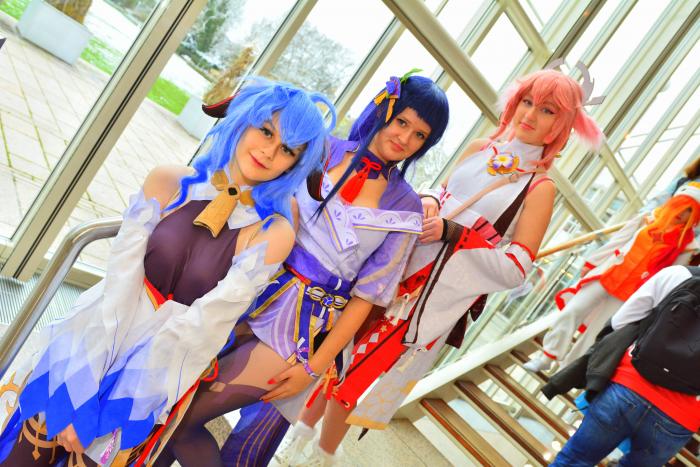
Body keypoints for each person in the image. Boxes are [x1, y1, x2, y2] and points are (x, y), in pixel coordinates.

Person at [277, 67, 604, 465]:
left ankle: (322, 453)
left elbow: (517, 266)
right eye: (528, 101)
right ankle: (302, 433)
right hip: (392, 265)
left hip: (426, 298)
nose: (530, 114)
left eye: (548, 110)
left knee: (357, 373)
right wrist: (430, 200)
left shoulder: (540, 188)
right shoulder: (481, 147)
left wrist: (455, 235)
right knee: (336, 351)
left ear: (562, 125)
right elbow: (442, 190)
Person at [0, 79, 334, 466]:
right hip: (86, 346)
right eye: (266, 130)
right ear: (243, 120)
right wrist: (79, 393)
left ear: (296, 164)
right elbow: (117, 287)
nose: (269, 151)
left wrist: (108, 411)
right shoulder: (169, 180)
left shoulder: (273, 233)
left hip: (151, 381)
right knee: (24, 455)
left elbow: (200, 330)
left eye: (288, 149)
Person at [155, 72, 450, 467]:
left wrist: (315, 366)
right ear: (385, 109)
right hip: (244, 286)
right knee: (170, 403)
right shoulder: (320, 148)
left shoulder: (407, 207)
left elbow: (368, 296)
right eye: (402, 121)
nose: (405, 138)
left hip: (299, 327)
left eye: (419, 135)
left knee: (186, 420)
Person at [524, 183, 700, 372]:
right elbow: (617, 241)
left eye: (690, 210)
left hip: (632, 291)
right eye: (681, 205)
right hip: (609, 273)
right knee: (573, 310)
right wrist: (592, 263)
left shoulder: (688, 245)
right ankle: (548, 356)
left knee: (597, 333)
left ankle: (566, 370)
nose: (683, 213)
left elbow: (671, 276)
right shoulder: (646, 219)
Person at [549, 263, 700, 466]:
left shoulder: (678, 274)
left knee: (574, 460)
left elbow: (620, 322)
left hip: (627, 387)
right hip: (681, 416)